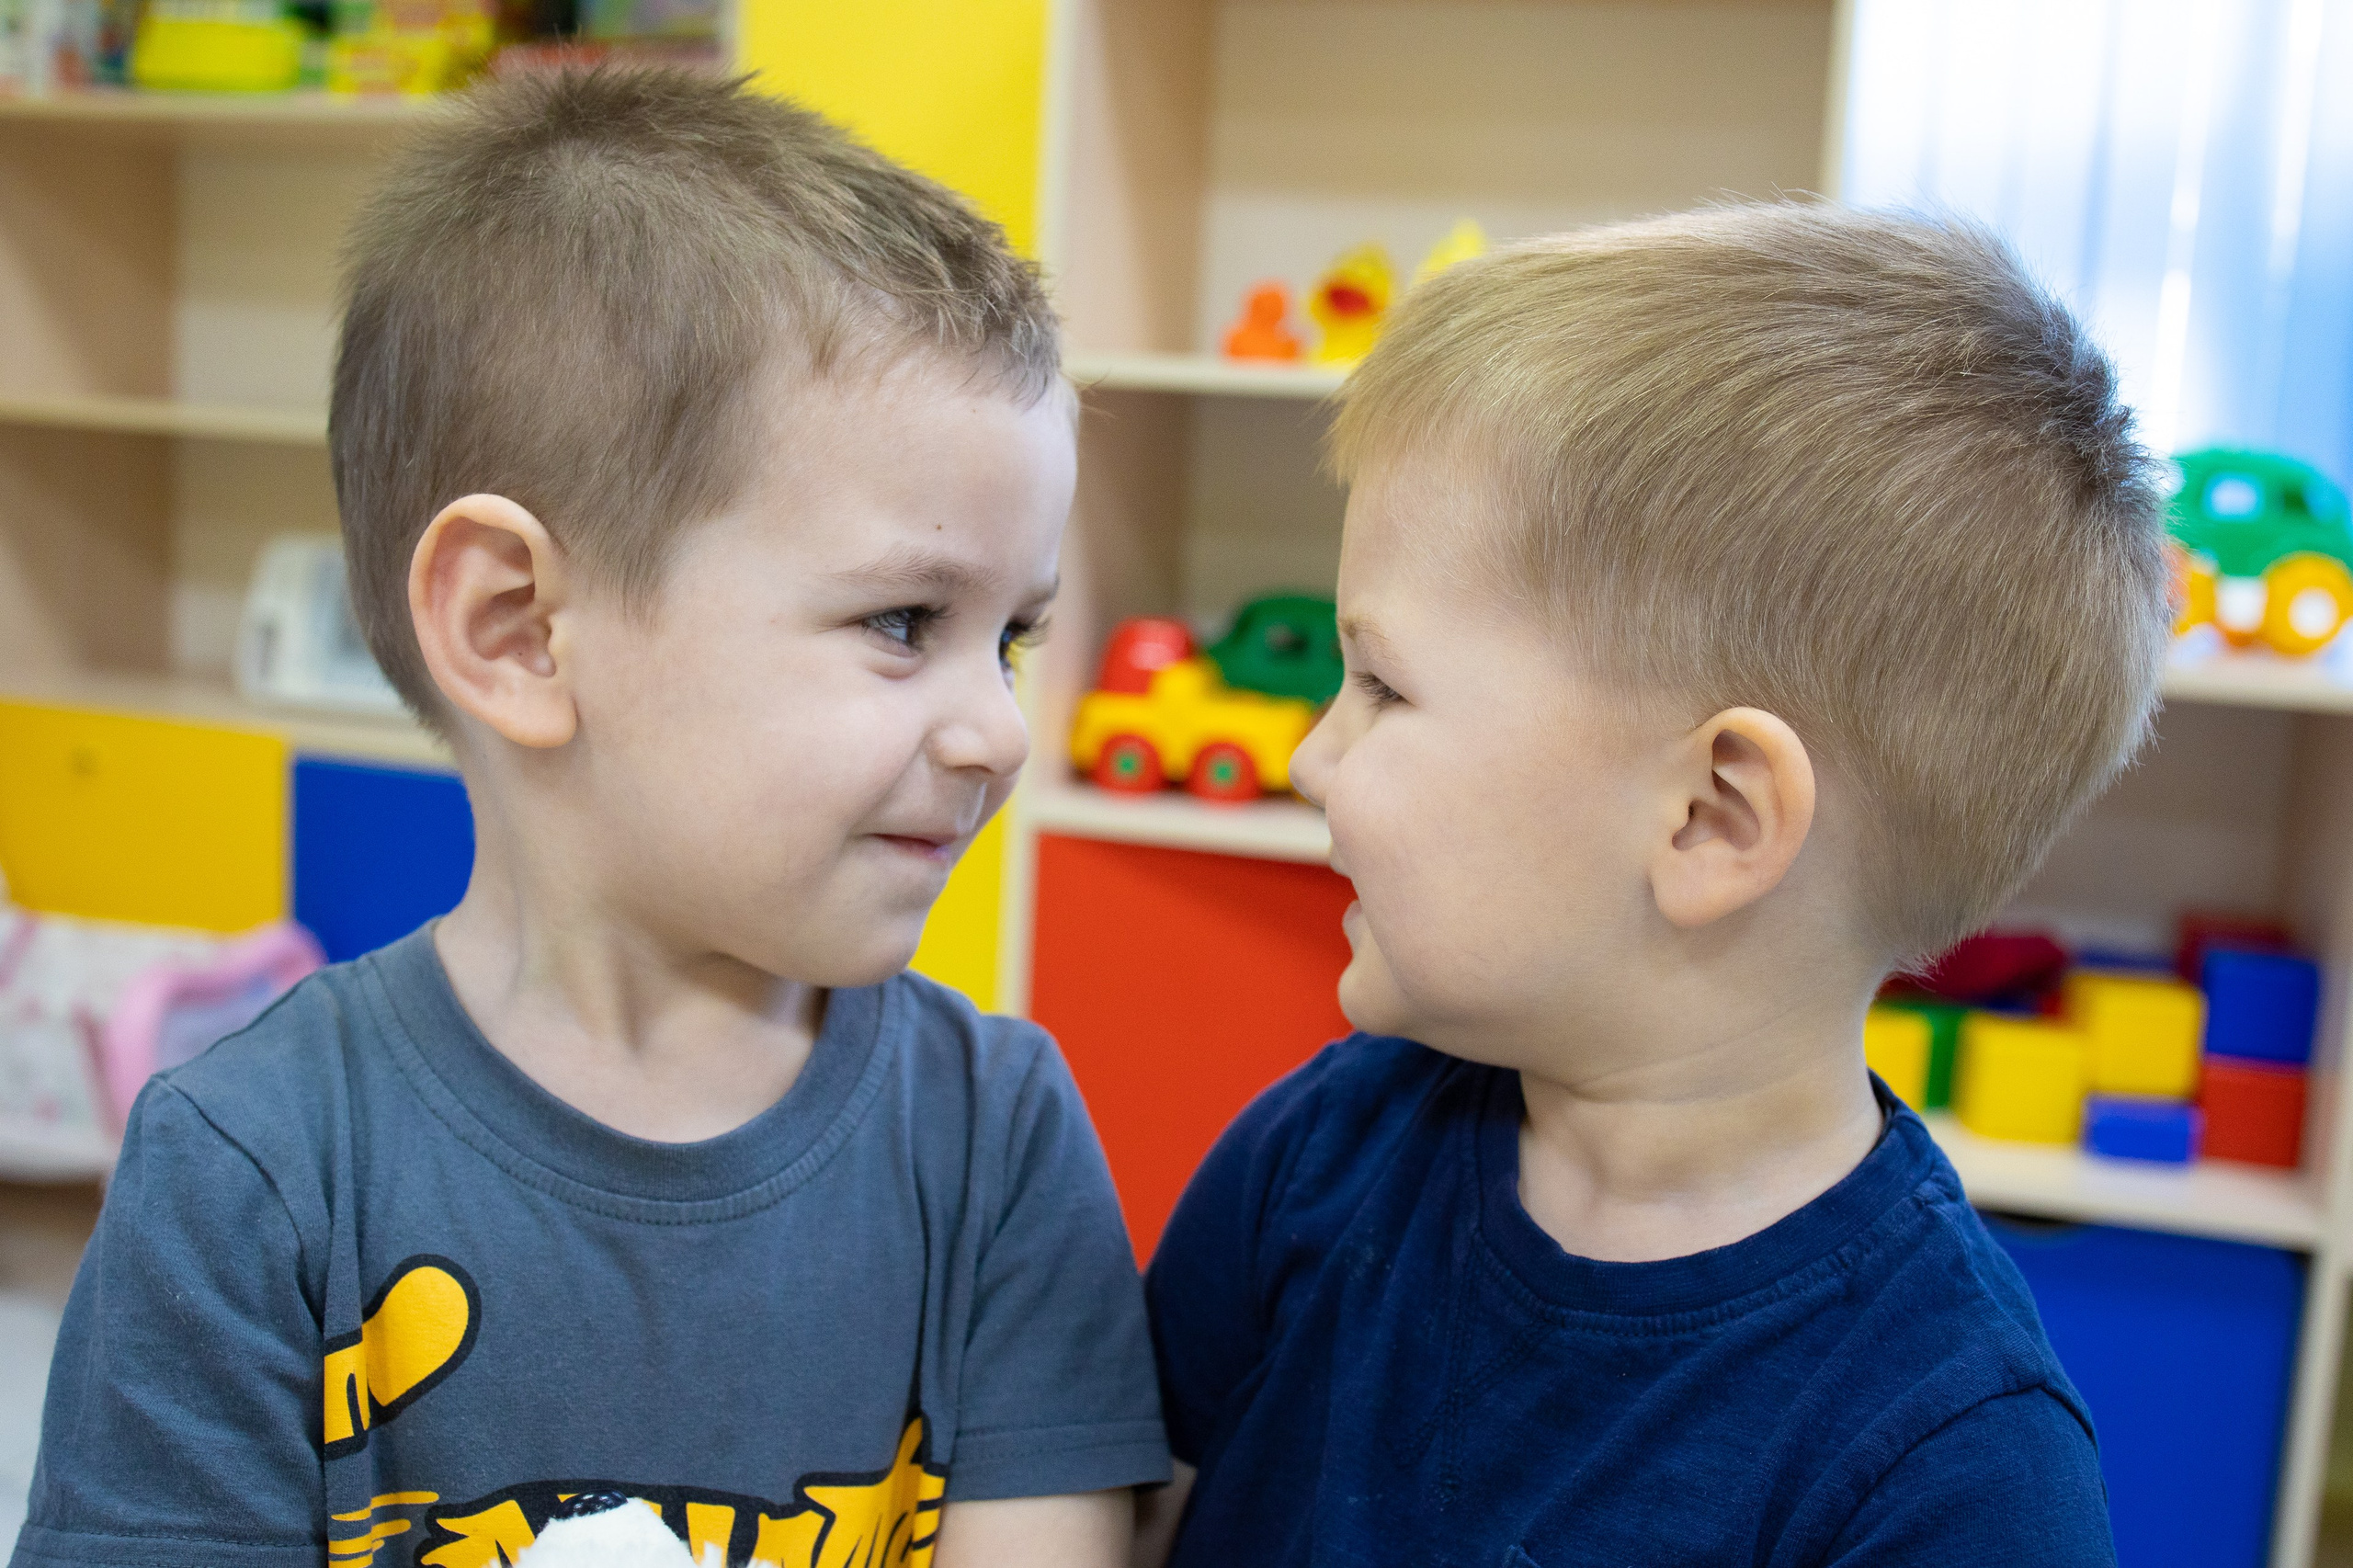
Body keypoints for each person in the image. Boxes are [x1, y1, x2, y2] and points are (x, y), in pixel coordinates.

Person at [17, 69, 1166, 1568]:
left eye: (1010, 635)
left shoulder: (997, 1136)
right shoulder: (249, 1172)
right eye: (901, 619)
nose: (1000, 729)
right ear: (518, 630)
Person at [1141, 205, 2166, 1567]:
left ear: (1710, 816)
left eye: (1382, 684)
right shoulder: (1321, 1153)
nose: (1312, 753)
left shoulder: (1958, 1469)